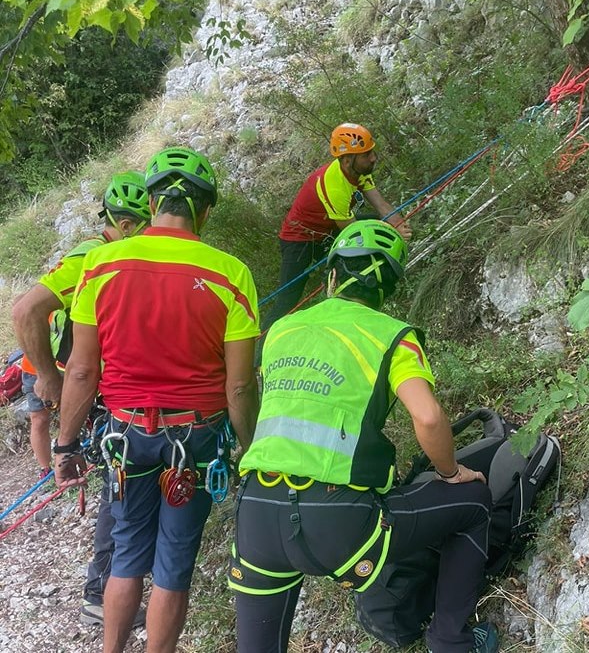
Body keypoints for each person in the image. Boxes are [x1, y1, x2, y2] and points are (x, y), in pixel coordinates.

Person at [229, 220, 497, 653]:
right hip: (339, 521)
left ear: (332, 275)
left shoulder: (282, 330)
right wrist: (451, 473)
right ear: (387, 291)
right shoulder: (394, 336)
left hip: (257, 510)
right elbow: (427, 417)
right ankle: (452, 641)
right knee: (475, 504)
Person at [52, 147, 260, 653]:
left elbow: (81, 370)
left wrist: (65, 445)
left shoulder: (99, 265)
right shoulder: (231, 274)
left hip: (125, 436)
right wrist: (249, 448)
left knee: (126, 556)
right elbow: (239, 386)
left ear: (150, 203)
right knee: (173, 564)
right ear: (205, 211)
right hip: (196, 438)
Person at [11, 171, 152, 626]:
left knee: (119, 483)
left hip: (109, 389)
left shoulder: (115, 256)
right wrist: (49, 378)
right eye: (135, 224)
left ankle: (108, 583)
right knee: (119, 487)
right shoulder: (90, 256)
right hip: (94, 391)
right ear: (121, 223)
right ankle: (102, 589)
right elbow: (27, 309)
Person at [258, 123, 413, 348]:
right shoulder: (334, 185)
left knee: (379, 226)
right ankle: (260, 354)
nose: (373, 158)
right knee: (289, 299)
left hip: (326, 230)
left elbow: (380, 205)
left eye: (372, 151)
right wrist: (387, 235)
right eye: (367, 154)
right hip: (299, 240)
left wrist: (398, 226)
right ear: (348, 159)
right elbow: (353, 234)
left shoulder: (359, 172)